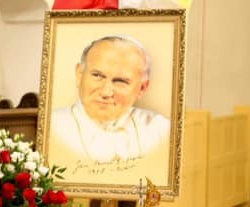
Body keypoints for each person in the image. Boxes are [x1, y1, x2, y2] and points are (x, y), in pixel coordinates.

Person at [49, 35, 170, 173]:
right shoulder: (51, 127)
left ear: (142, 88)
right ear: (79, 74)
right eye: (97, 76)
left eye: (120, 81)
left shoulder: (161, 131)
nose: (106, 92)